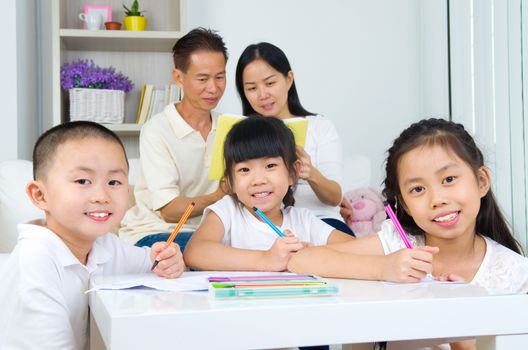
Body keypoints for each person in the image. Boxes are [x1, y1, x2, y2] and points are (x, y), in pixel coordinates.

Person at [289, 118, 528, 350]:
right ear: (403, 204)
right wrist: (384, 268)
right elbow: (302, 260)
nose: (437, 199)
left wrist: (458, 334)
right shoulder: (395, 245)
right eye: (418, 189)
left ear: (481, 181)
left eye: (449, 179)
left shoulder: (516, 277)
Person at [0, 121, 185, 349]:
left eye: (114, 182)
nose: (102, 195)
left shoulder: (105, 245)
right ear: (40, 195)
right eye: (82, 181)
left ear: (128, 193)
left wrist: (169, 260)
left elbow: (151, 262)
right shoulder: (34, 262)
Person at [184, 116, 354, 272]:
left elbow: (355, 247)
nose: (258, 180)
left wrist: (313, 253)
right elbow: (195, 252)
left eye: (270, 166)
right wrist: (266, 259)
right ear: (230, 181)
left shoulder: (303, 220)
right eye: (244, 169)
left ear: (292, 173)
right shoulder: (227, 211)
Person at [119, 27, 229, 252]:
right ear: (178, 77)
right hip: (159, 233)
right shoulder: (157, 130)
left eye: (220, 77)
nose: (213, 88)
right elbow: (169, 210)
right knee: (214, 252)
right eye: (203, 78)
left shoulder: (230, 127)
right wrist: (219, 196)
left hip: (215, 233)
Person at [235, 42, 354, 236]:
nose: (262, 95)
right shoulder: (241, 134)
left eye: (270, 83)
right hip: (264, 223)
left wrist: (311, 173)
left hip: (321, 220)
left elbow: (334, 198)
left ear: (289, 79)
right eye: (251, 88)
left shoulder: (319, 127)